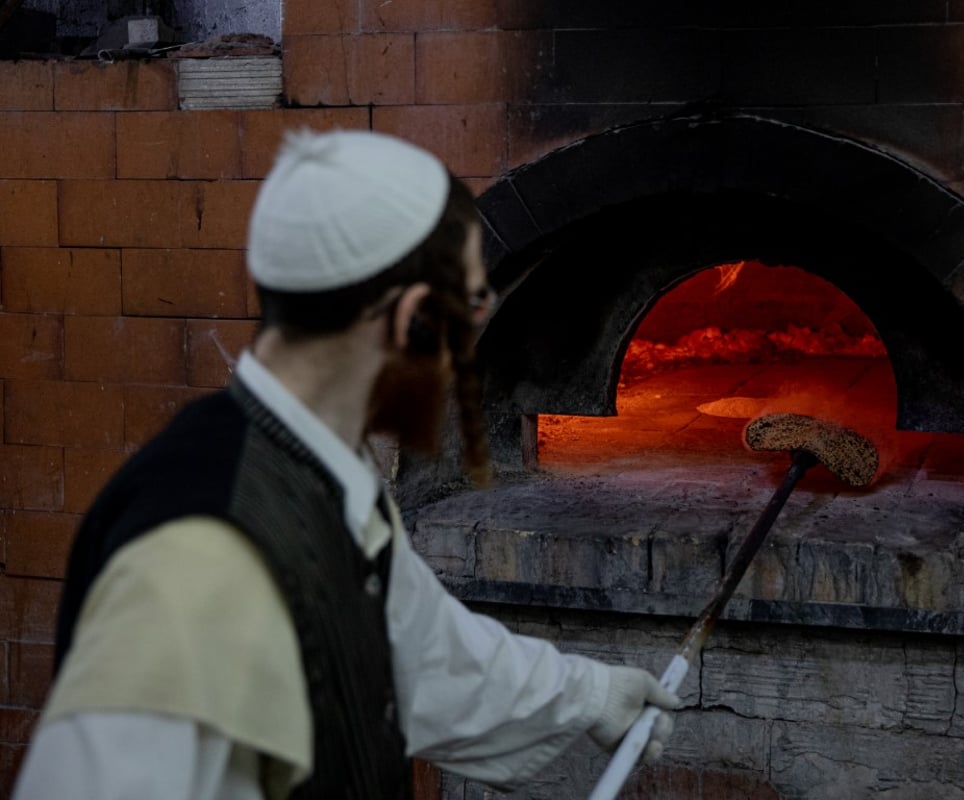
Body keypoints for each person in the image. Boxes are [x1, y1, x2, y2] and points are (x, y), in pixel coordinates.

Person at [13, 128, 680, 799]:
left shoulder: (323, 471)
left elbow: (420, 648)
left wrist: (591, 696)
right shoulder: (201, 549)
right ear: (413, 319)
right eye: (472, 307)